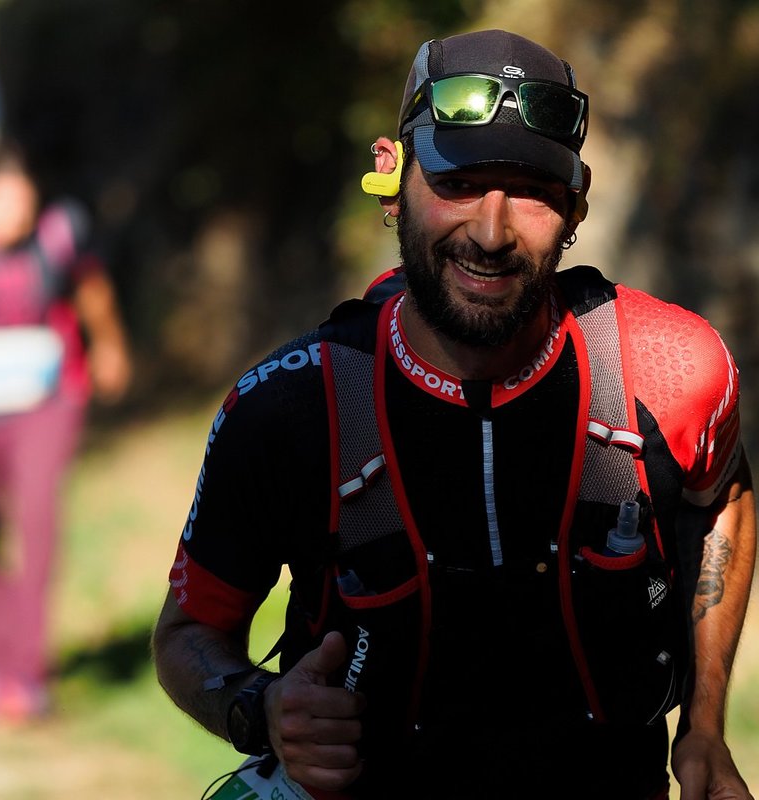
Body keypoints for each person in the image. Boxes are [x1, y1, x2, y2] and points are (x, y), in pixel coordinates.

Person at [151, 29, 756, 799]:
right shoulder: (288, 409)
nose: (491, 232)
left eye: (531, 190)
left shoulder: (673, 369)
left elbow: (723, 497)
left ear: (575, 206)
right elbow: (187, 636)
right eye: (459, 181)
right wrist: (261, 708)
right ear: (391, 180)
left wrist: (704, 728)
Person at [0, 140, 132, 722]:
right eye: (3, 204)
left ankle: (29, 674)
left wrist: (108, 344)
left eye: (24, 206)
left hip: (47, 403)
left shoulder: (58, 236)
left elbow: (90, 288)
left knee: (36, 519)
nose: (14, 218)